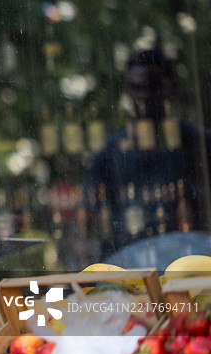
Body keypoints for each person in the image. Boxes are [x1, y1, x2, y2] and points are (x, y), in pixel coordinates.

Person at [84, 48, 211, 259]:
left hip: (195, 264)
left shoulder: (201, 144)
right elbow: (89, 219)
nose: (143, 97)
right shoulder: (109, 153)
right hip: (130, 270)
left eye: (152, 86)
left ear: (171, 87)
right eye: (136, 88)